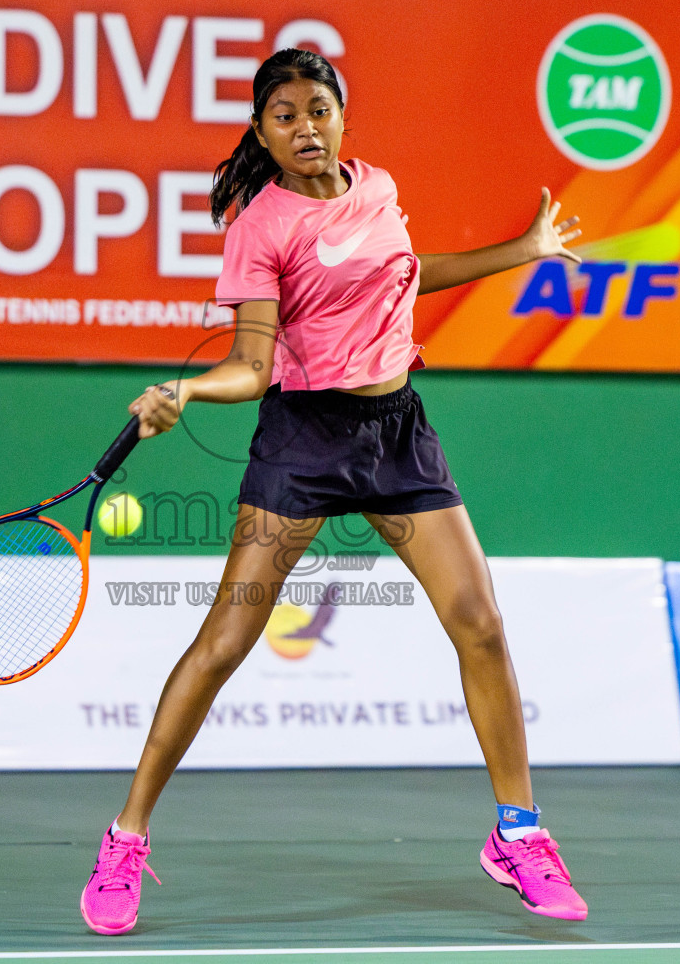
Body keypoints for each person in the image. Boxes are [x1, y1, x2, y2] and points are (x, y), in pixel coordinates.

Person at [79, 48, 587, 935]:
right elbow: (249, 361)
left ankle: (518, 835)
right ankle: (125, 840)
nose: (305, 127)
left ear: (343, 116)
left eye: (319, 108)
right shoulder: (261, 227)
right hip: (304, 442)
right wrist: (189, 391)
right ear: (261, 133)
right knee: (226, 639)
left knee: (481, 622)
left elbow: (400, 274)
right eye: (285, 115)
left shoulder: (377, 186)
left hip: (397, 435)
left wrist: (523, 251)